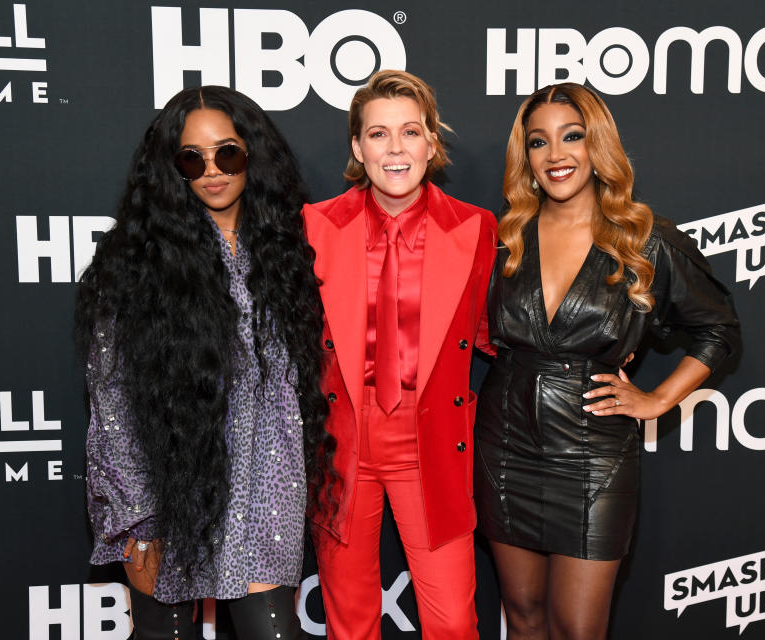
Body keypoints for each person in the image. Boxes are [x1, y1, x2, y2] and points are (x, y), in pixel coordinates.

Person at [474, 83, 741, 640]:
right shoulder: (505, 236)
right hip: (505, 444)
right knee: (522, 617)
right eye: (538, 142)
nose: (556, 155)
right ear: (525, 155)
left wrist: (659, 399)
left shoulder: (644, 240)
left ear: (598, 145)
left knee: (577, 628)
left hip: (593, 453)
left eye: (572, 137)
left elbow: (719, 330)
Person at [75, 86, 333, 640]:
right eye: (192, 158)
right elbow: (112, 399)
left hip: (267, 491)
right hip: (168, 493)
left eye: (229, 153)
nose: (212, 171)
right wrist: (139, 514)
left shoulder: (287, 251)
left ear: (252, 156)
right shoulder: (133, 262)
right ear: (173, 169)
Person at [302, 69, 497, 639]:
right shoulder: (313, 227)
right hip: (343, 442)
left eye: (410, 132)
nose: (395, 149)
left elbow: (497, 331)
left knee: (454, 621)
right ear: (357, 147)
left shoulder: (475, 228)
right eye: (379, 134)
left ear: (432, 143)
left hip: (432, 443)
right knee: (350, 618)